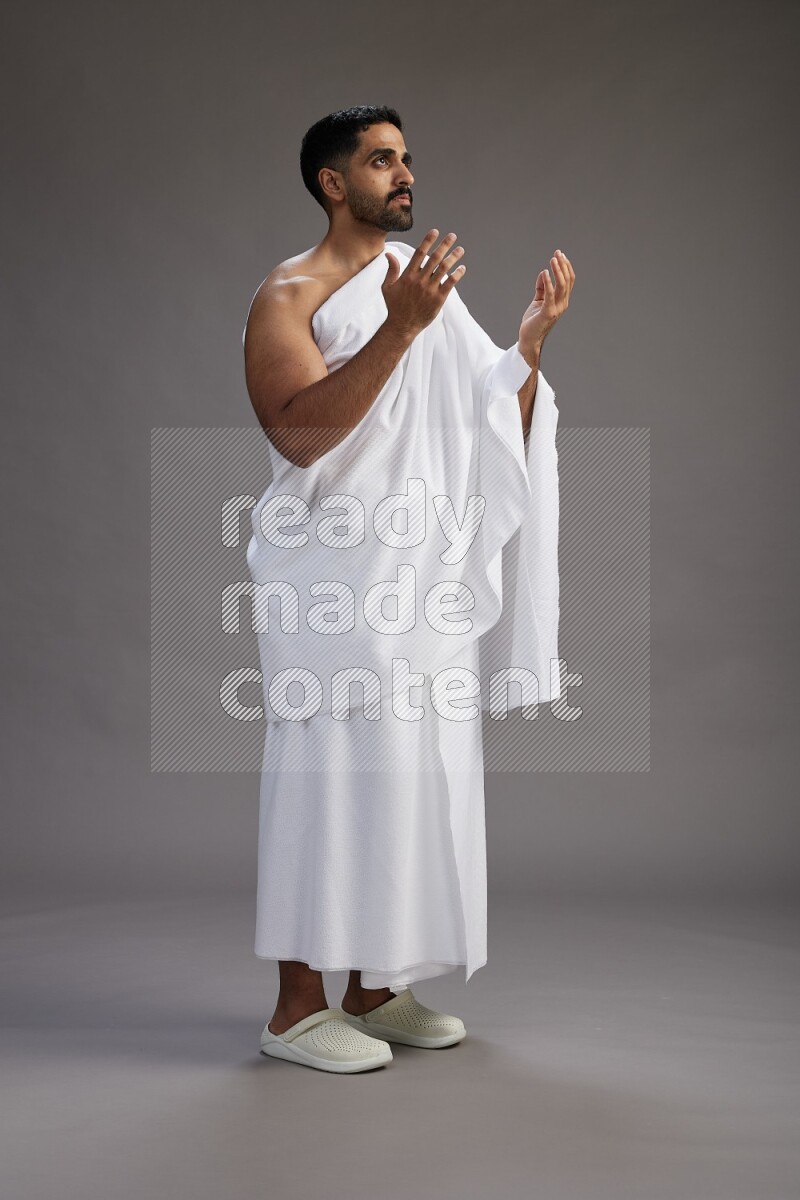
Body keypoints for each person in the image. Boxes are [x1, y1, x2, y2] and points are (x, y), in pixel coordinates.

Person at [242, 105, 574, 1073]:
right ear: (330, 183)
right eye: (380, 160)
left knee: (408, 780)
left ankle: (376, 990)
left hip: (416, 587)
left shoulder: (413, 286)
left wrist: (528, 344)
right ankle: (295, 1010)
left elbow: (488, 414)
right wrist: (398, 332)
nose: (403, 175)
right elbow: (298, 434)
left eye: (406, 158)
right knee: (325, 783)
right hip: (331, 585)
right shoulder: (287, 295)